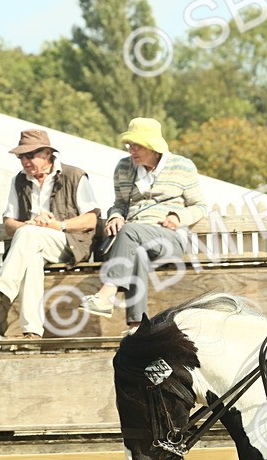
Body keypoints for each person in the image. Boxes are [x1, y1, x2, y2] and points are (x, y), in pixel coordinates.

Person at [0, 130, 100, 338]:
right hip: (32, 244)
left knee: (30, 235)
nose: (24, 161)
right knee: (32, 260)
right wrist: (28, 224)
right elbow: (10, 225)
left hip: (68, 243)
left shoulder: (74, 175)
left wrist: (59, 225)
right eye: (21, 156)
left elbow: (91, 220)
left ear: (47, 154)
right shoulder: (19, 180)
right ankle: (32, 333)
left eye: (29, 156)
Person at [80, 118, 207, 327]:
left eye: (137, 145)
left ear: (153, 146)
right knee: (136, 252)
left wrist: (177, 217)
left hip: (168, 239)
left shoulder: (182, 166)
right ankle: (137, 325)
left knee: (130, 232)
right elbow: (119, 203)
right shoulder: (123, 167)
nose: (132, 150)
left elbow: (200, 206)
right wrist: (115, 216)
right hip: (134, 240)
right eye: (129, 145)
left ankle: (107, 292)